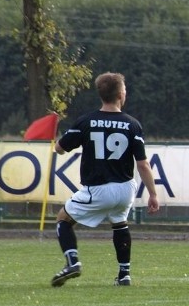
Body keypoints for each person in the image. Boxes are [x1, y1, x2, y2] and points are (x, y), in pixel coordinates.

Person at [50, 72, 159, 287]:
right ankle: (124, 274)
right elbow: (143, 164)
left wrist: (56, 142)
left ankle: (72, 262)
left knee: (63, 219)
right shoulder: (132, 125)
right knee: (120, 224)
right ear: (120, 94)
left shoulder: (86, 121)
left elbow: (60, 148)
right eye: (125, 90)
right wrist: (153, 194)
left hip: (98, 189)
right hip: (126, 189)